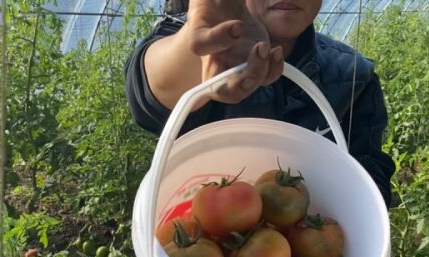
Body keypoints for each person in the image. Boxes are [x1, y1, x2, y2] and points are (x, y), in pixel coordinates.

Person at [125, 0, 395, 206]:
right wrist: (198, 51)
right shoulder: (206, 38)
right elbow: (152, 90)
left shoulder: (353, 76)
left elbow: (369, 172)